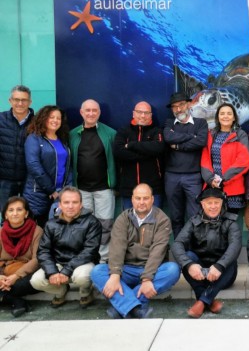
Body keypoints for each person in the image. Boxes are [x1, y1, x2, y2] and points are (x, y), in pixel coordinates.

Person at [91, 184, 181, 319]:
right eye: (138, 198)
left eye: (145, 198)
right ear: (132, 199)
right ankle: (136, 308)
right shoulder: (123, 218)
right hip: (126, 269)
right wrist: (115, 274)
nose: (141, 202)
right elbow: (117, 247)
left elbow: (158, 251)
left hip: (152, 270)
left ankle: (121, 306)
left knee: (173, 270)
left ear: (152, 199)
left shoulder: (162, 220)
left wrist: (147, 278)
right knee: (97, 272)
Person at [172, 188, 242, 318]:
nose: (213, 206)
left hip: (223, 275)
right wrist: (189, 265)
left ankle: (202, 301)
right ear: (202, 204)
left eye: (217, 202)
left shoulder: (231, 222)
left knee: (231, 261)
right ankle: (209, 301)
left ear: (222, 203)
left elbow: (235, 247)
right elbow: (177, 244)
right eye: (209, 203)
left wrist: (219, 266)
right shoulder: (193, 222)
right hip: (200, 274)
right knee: (187, 257)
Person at [30, 186, 101, 309]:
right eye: (66, 202)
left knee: (82, 277)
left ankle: (85, 292)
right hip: (58, 263)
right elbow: (43, 251)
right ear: (60, 205)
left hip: (82, 263)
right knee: (35, 280)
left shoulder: (92, 222)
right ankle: (61, 291)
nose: (70, 206)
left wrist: (66, 271)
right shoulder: (51, 224)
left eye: (75, 202)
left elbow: (90, 251)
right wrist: (52, 272)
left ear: (81, 204)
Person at [70, 99, 116, 260]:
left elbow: (116, 161)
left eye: (94, 110)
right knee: (84, 225)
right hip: (81, 190)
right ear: (81, 112)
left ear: (99, 113)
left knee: (105, 225)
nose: (91, 113)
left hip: (104, 189)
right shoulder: (73, 134)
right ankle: (87, 258)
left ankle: (103, 260)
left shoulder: (110, 133)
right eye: (87, 110)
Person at [163, 92, 208, 237]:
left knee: (195, 216)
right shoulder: (169, 123)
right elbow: (168, 137)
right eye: (174, 107)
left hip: (193, 176)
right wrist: (190, 137)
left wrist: (178, 146)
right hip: (172, 176)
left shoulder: (201, 123)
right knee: (176, 217)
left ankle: (194, 253)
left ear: (189, 104)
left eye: (181, 105)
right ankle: (179, 252)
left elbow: (200, 141)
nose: (178, 109)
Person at [23, 105, 71, 226]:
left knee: (57, 230)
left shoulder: (62, 139)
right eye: (51, 117)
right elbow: (34, 166)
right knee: (38, 229)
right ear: (43, 118)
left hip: (60, 193)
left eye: (58, 118)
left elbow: (68, 166)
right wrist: (51, 190)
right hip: (38, 193)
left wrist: (67, 188)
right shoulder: (34, 138)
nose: (55, 120)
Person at [200, 102, 249, 214]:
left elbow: (244, 161)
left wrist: (223, 180)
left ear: (234, 118)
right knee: (213, 224)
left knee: (230, 224)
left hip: (233, 188)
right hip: (212, 187)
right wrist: (210, 179)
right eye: (222, 113)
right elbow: (205, 159)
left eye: (229, 113)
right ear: (218, 117)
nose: (225, 116)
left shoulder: (240, 135)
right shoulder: (211, 134)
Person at [114, 101, 164, 210]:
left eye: (146, 113)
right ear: (133, 113)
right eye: (139, 112)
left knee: (154, 223)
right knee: (129, 224)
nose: (143, 116)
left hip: (153, 190)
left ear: (151, 115)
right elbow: (119, 152)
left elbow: (158, 148)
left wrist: (132, 145)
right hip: (129, 189)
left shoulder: (157, 131)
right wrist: (148, 152)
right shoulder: (123, 131)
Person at [0, 197, 43, 317]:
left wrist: (16, 276)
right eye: (11, 210)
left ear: (26, 213)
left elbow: (37, 259)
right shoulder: (1, 232)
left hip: (26, 273)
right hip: (4, 272)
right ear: (6, 215)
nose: (15, 213)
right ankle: (16, 301)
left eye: (19, 210)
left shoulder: (36, 231)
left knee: (25, 283)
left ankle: (7, 298)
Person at [0, 85, 34, 211]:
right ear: (10, 101)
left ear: (30, 102)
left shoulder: (36, 122)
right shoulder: (1, 120)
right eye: (16, 99)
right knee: (7, 218)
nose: (20, 103)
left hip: (29, 181)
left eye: (24, 100)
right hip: (5, 181)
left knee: (29, 216)